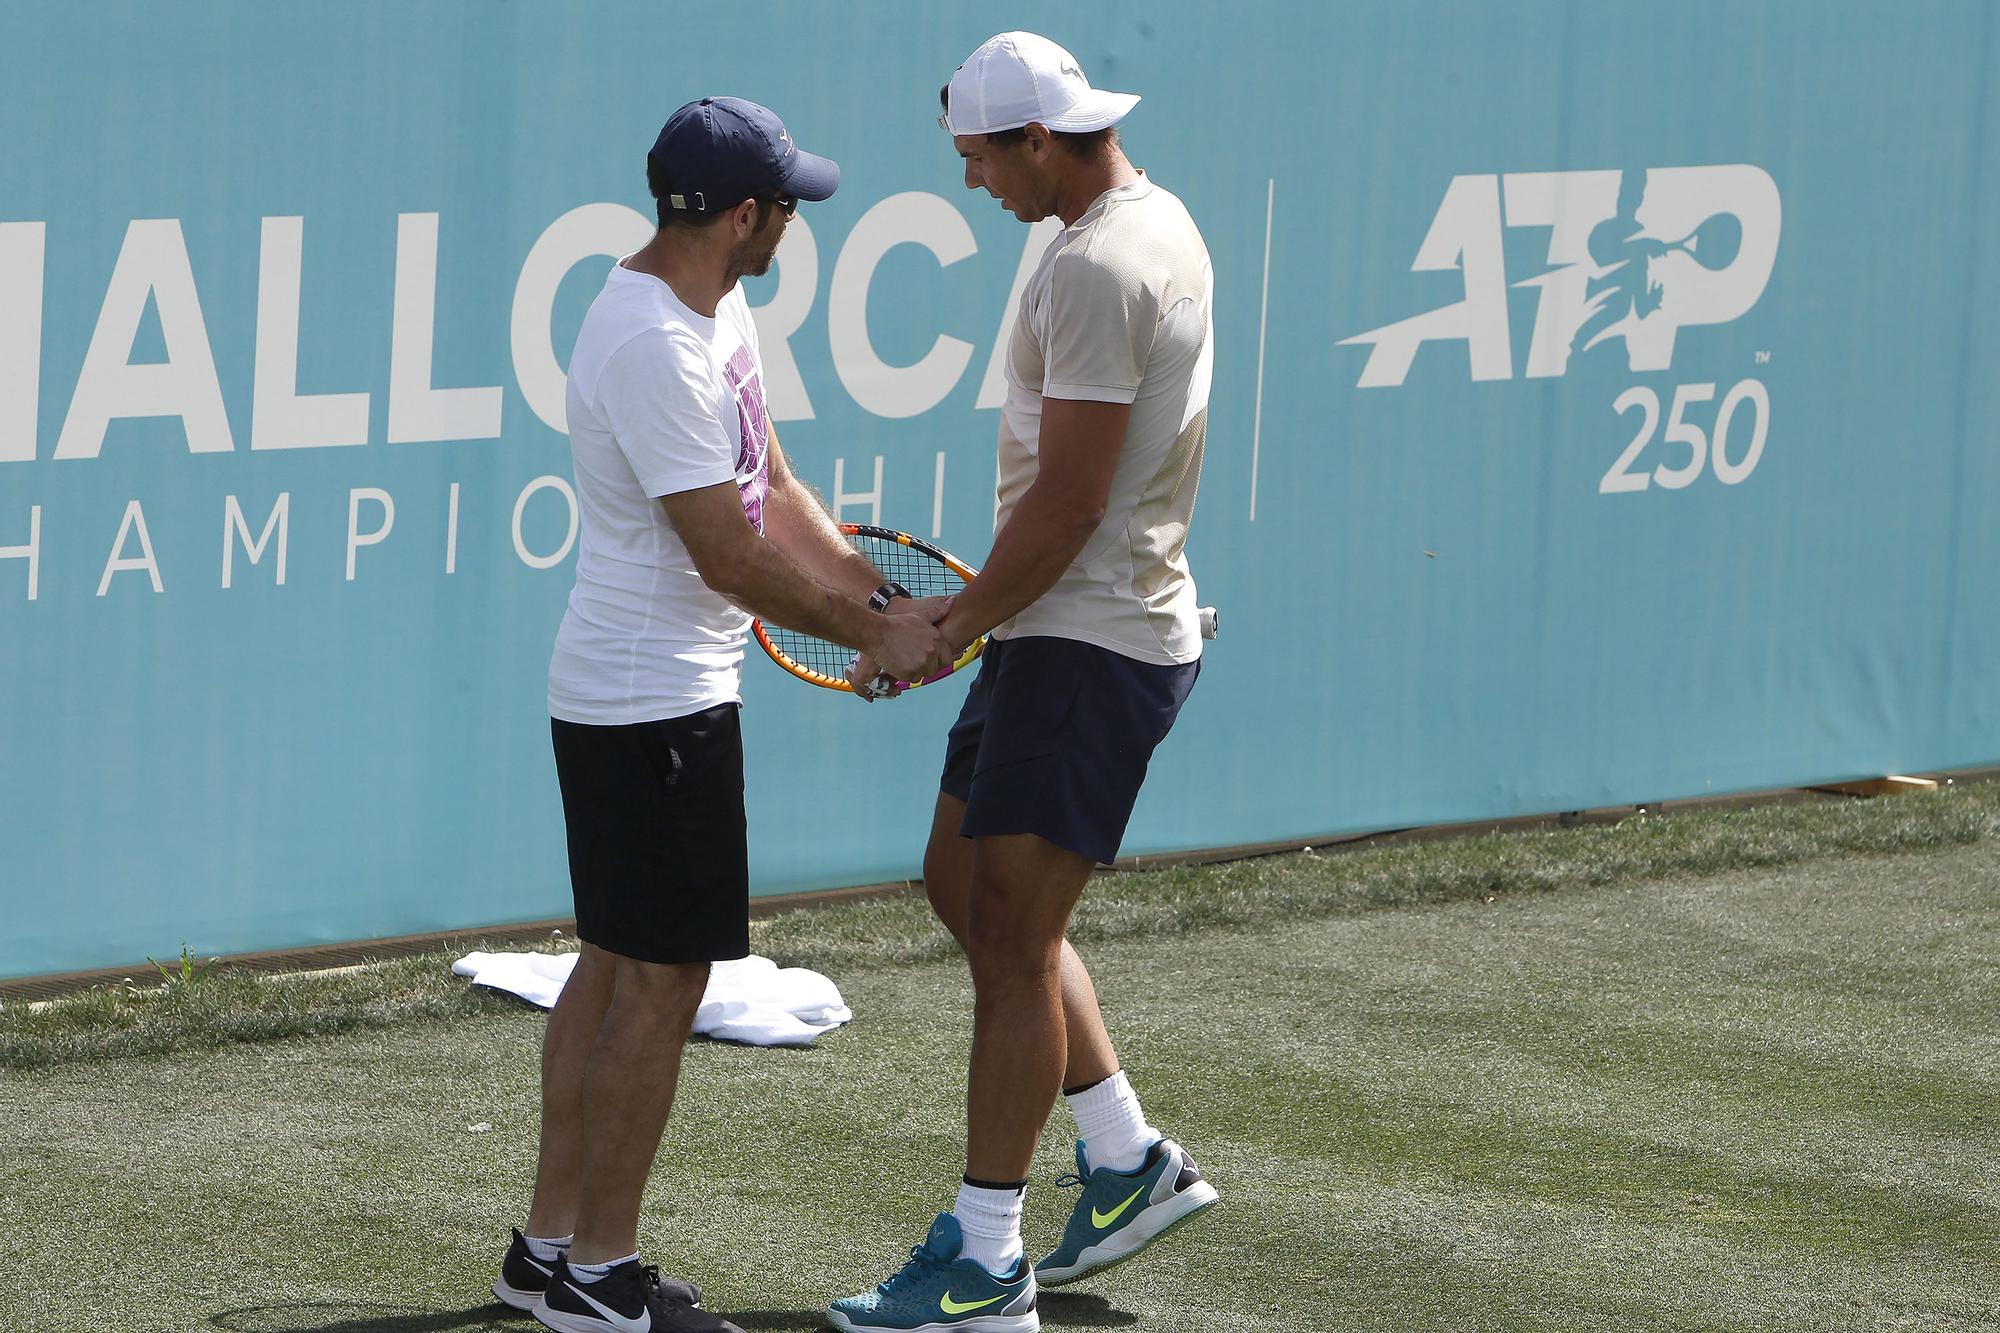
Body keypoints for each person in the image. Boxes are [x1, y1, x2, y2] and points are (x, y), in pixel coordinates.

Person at [494, 96, 953, 1333]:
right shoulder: (652, 343)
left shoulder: (707, 304)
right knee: (661, 981)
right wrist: (869, 637)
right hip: (653, 709)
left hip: (641, 698)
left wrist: (884, 601)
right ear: (743, 216)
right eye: (789, 206)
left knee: (613, 963)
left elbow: (772, 486)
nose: (795, 225)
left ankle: (543, 1250)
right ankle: (600, 1272)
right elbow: (725, 558)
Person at [829, 33, 1219, 1333]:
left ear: (1037, 142)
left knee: (1013, 942)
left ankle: (989, 1265)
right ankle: (1124, 1154)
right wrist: (985, 625)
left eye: (978, 161)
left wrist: (949, 627)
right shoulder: (1108, 225)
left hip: (1088, 640)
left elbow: (1068, 503)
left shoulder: (1104, 264)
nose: (973, 186)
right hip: (1051, 630)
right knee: (962, 882)